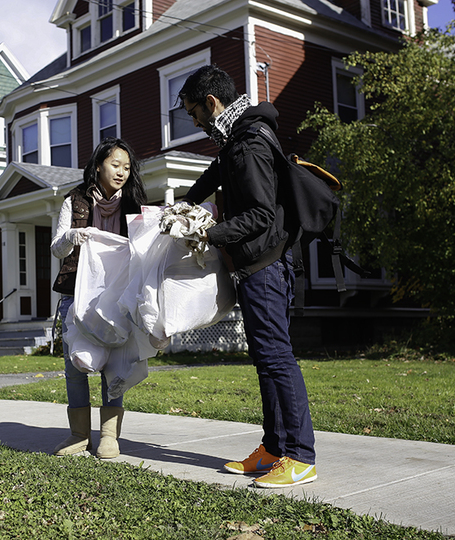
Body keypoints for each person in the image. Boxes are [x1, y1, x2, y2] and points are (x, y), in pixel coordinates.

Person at [175, 65, 317, 488]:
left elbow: (257, 214)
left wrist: (207, 233)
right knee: (265, 359)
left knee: (276, 358)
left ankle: (301, 457)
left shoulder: (247, 144)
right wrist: (182, 206)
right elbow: (215, 175)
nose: (194, 121)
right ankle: (274, 449)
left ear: (211, 104)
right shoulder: (236, 139)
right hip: (259, 265)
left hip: (266, 265)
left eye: (193, 112)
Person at [50, 137, 148, 459]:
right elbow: (55, 249)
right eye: (115, 165)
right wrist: (71, 237)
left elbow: (147, 248)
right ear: (98, 166)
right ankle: (79, 436)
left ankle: (109, 436)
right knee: (75, 366)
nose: (121, 172)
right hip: (75, 295)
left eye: (127, 167)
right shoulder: (74, 201)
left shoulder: (133, 204)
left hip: (116, 298)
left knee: (114, 366)